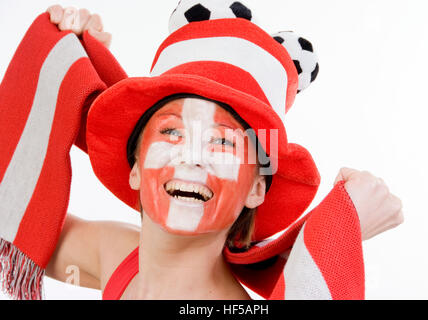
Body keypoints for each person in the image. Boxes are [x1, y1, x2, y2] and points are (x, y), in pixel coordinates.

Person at [2, 3, 404, 300]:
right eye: (172, 132)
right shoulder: (112, 255)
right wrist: (56, 60)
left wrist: (343, 227)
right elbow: (15, 214)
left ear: (256, 189)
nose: (193, 157)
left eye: (223, 142)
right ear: (136, 167)